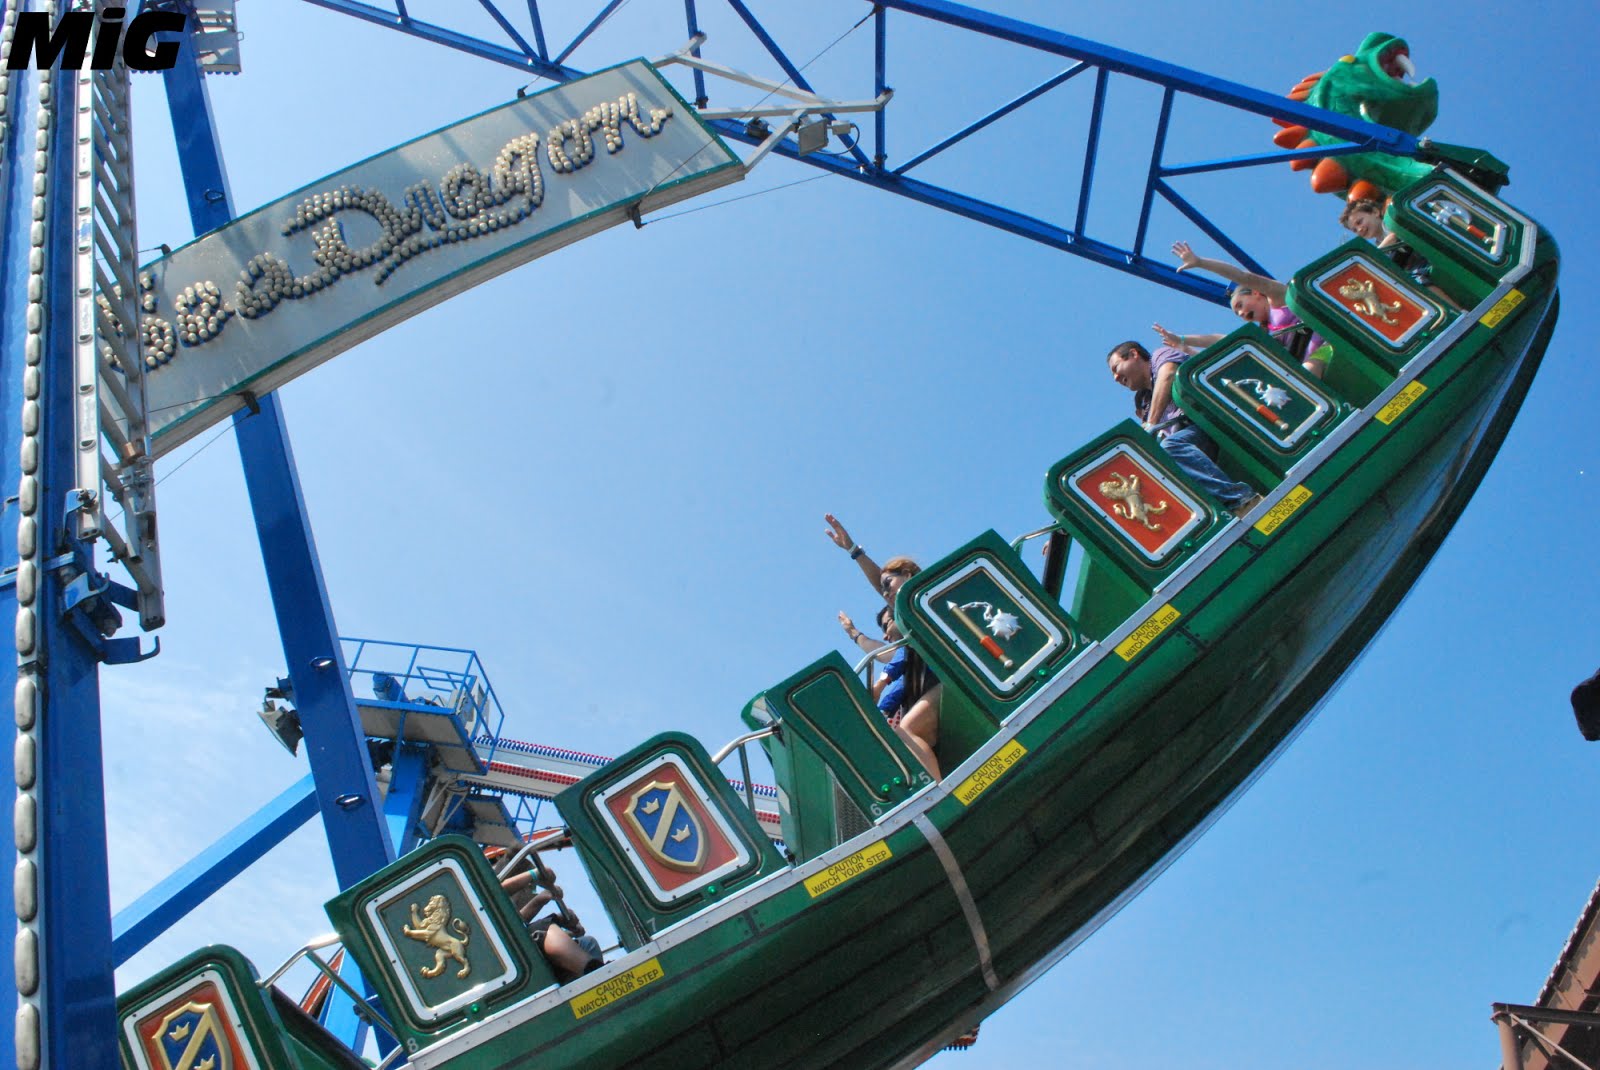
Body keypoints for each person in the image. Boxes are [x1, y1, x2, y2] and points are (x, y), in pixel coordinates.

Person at [825, 514, 942, 779]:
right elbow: (881, 650)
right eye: (884, 591)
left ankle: (944, 791)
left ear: (909, 574)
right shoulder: (907, 634)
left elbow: (887, 586)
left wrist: (854, 551)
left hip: (954, 681)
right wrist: (854, 633)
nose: (886, 594)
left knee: (908, 727)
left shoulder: (926, 602)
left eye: (889, 586)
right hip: (931, 689)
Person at [1106, 340, 1260, 517]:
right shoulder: (1144, 402)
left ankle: (1240, 499)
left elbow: (1168, 374)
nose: (1115, 378)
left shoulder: (1161, 356)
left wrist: (1151, 423)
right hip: (1188, 447)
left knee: (1172, 446)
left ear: (1134, 354)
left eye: (1116, 368)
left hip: (1209, 424)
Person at [1162, 240, 1331, 379]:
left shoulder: (1278, 299)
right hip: (1305, 363)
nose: (1242, 314)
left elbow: (1242, 276)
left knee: (1308, 374)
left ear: (1256, 293)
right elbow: (1222, 340)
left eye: (1240, 306)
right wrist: (1183, 340)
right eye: (1238, 314)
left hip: (1326, 346)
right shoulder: (1265, 333)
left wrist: (1200, 262)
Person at [1339, 197, 1459, 308]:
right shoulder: (1378, 244)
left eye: (1359, 222)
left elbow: (1394, 236)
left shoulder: (1388, 223)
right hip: (1414, 266)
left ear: (1375, 212)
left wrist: (1372, 254)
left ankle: (1456, 310)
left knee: (1418, 281)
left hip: (1427, 257)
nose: (1359, 229)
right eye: (1354, 230)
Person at [841, 605, 909, 720]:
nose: (885, 636)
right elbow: (884, 654)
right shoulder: (910, 666)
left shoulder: (917, 640)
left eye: (886, 626)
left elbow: (905, 651)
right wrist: (884, 711)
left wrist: (879, 686)